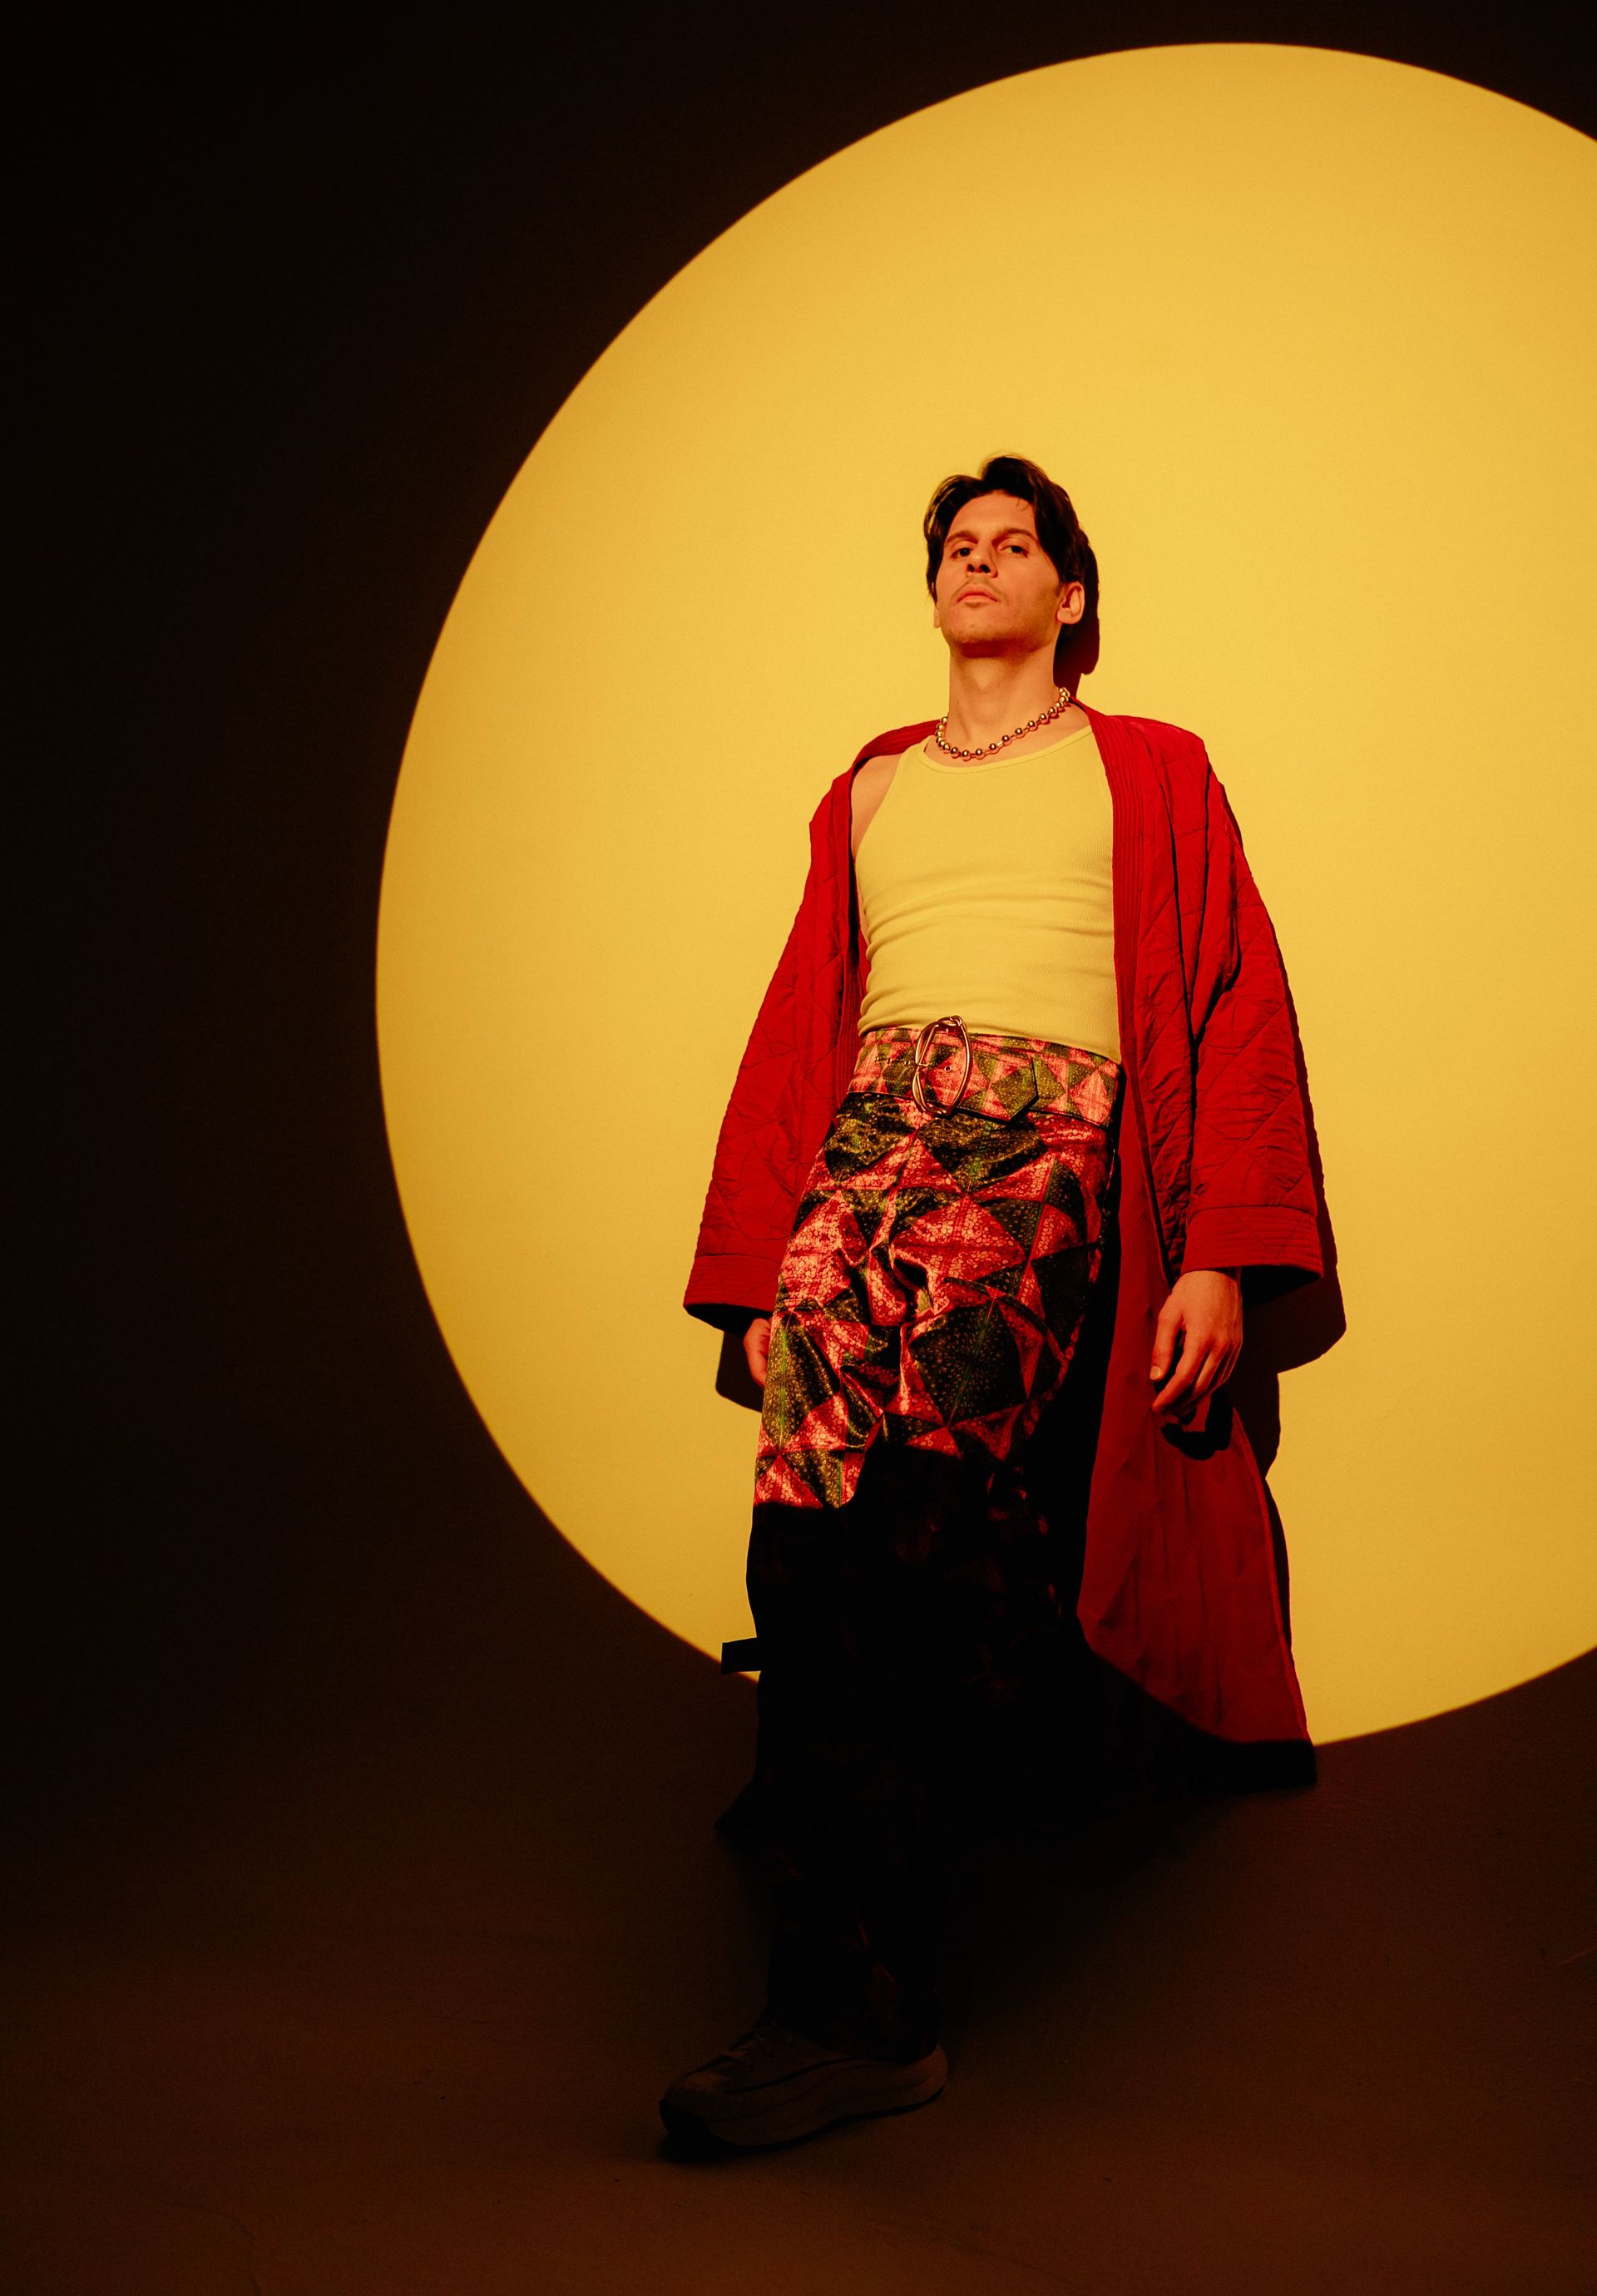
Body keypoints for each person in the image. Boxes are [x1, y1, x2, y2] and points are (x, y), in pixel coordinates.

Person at [660, 454, 1332, 2150]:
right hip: (872, 1133)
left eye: (1012, 544)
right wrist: (758, 1270)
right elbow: (800, 1022)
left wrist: (1215, 1253)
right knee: (804, 1516)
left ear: (1068, 595)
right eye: (957, 545)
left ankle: (866, 2008)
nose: (978, 561)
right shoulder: (872, 786)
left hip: (1043, 1135)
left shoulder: (1151, 767)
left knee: (928, 1507)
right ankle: (842, 1959)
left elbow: (1234, 1007)